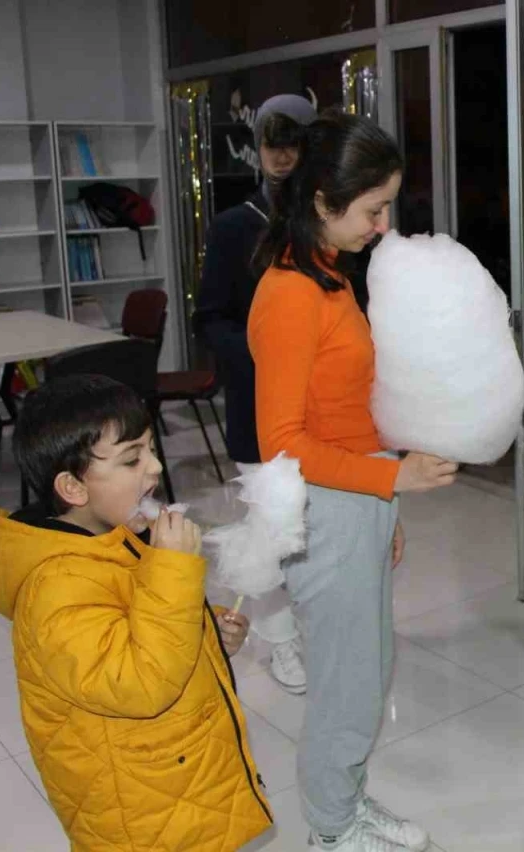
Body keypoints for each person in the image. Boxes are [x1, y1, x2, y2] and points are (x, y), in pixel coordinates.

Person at [247, 110, 457, 852]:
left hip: (355, 500)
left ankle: (346, 802)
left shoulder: (330, 273)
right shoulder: (290, 294)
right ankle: (332, 831)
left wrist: (384, 504)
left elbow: (348, 409)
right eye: (373, 209)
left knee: (368, 670)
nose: (383, 224)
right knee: (347, 682)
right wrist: (389, 480)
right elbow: (281, 443)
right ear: (323, 202)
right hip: (324, 509)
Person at [0, 374, 271, 851]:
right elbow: (140, 683)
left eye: (151, 448)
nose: (155, 467)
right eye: (132, 458)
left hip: (170, 776)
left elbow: (142, 625)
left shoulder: (116, 537)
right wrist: (173, 569)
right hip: (138, 808)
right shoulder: (56, 587)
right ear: (73, 487)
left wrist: (205, 632)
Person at [193, 93, 317, 696]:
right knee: (267, 532)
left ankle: (313, 623)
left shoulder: (327, 219)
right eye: (272, 143)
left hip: (320, 409)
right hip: (257, 406)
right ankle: (280, 641)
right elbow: (209, 318)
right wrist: (259, 355)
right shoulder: (234, 224)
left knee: (314, 529)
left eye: (293, 144)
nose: (282, 156)